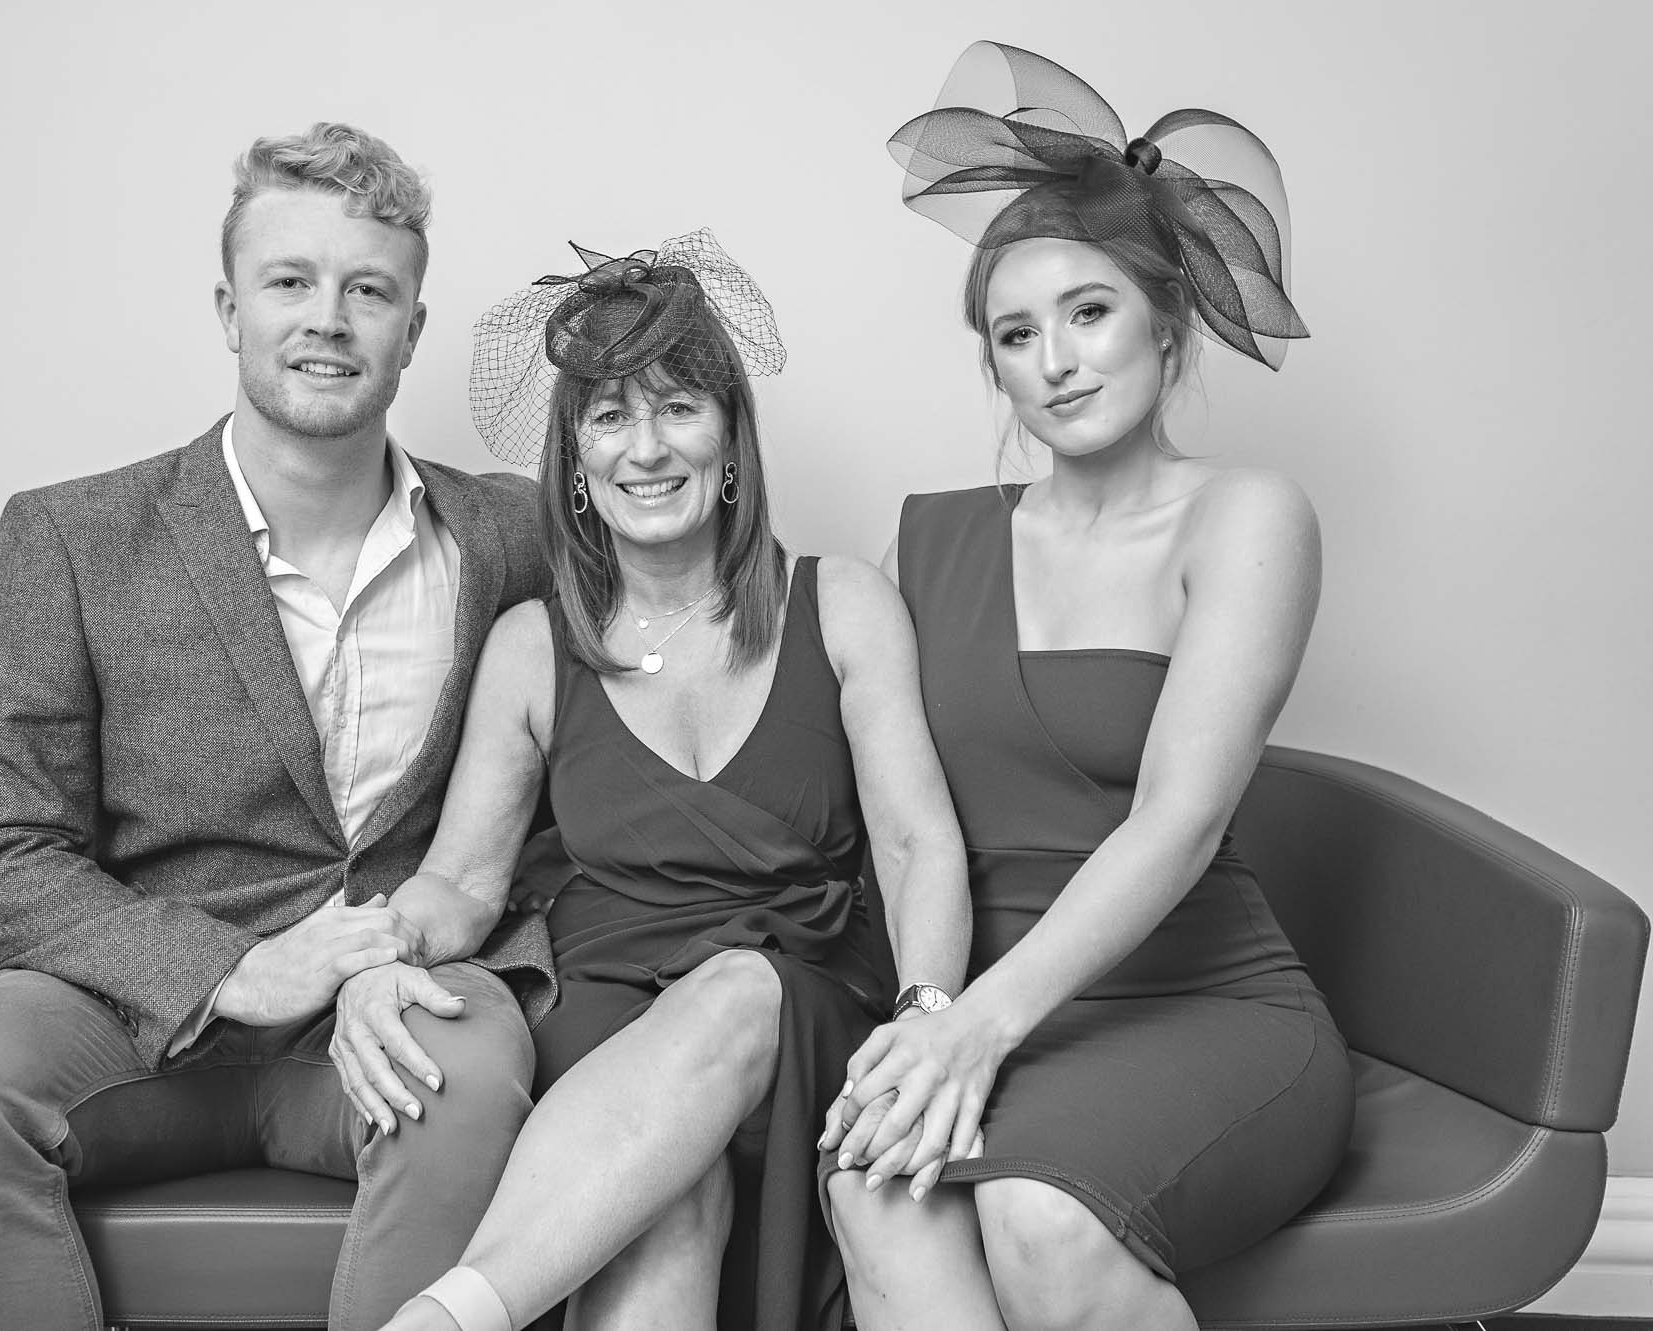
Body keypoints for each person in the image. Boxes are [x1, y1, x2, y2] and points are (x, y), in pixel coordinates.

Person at [0, 122, 553, 1331]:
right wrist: (227, 968)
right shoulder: (72, 536)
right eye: (290, 282)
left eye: (368, 290)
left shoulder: (512, 536)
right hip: (127, 1010)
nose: (327, 318)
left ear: (412, 332)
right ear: (230, 309)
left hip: (396, 997)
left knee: (473, 1072)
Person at [820, 42, 1356, 1331]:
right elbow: (896, 821)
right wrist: (928, 1014)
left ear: (1164, 322)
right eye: (1016, 332)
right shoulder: (926, 542)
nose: (1054, 358)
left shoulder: (1245, 518)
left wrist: (976, 1031)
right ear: (991, 366)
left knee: (1038, 1211)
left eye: (1087, 312)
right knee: (873, 1182)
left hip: (1201, 1003)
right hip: (970, 995)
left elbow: (1175, 823)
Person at [359, 232, 968, 1331]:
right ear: (576, 465)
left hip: (800, 1018)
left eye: (678, 406)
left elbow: (920, 844)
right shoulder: (528, 645)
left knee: (738, 985)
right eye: (608, 417)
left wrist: (928, 1018)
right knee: (661, 1194)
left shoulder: (842, 604)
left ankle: (449, 1316)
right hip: (608, 1029)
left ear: (730, 440)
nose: (646, 446)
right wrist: (372, 958)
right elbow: (460, 881)